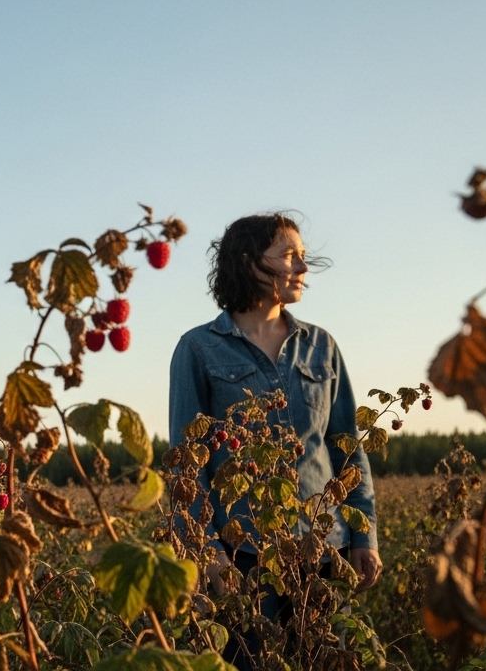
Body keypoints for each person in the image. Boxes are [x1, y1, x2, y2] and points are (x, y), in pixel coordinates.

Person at [167, 214, 381, 662]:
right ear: (249, 262)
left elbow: (347, 448)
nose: (302, 269)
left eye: (303, 257)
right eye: (289, 257)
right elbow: (187, 464)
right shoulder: (198, 349)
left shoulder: (321, 346)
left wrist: (365, 536)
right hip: (241, 558)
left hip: (326, 551)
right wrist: (208, 551)